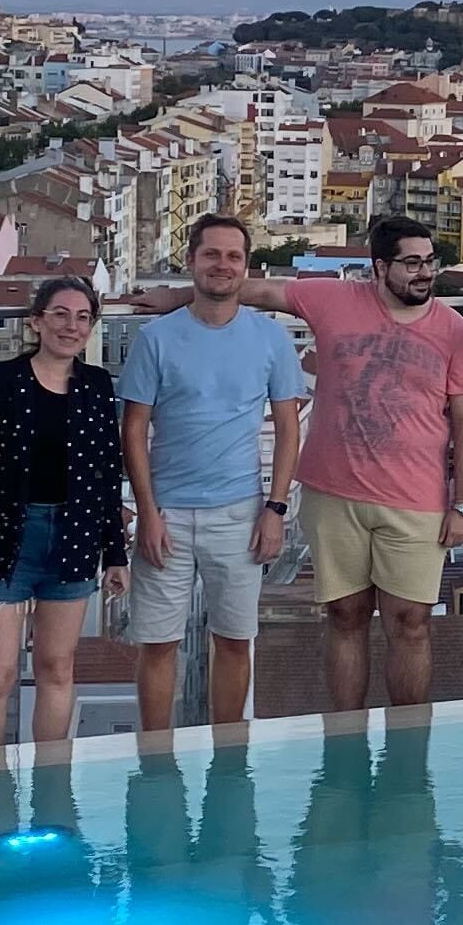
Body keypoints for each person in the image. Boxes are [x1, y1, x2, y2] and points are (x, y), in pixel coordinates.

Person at [215, 217, 463, 715]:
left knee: (410, 623)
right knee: (344, 615)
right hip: (332, 493)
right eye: (411, 263)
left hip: (417, 501)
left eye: (430, 262)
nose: (424, 273)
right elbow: (256, 291)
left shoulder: (453, 329)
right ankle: (346, 740)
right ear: (379, 267)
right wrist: (176, 300)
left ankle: (408, 745)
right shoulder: (333, 299)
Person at [120, 215, 306, 731]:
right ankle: (155, 757)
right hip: (167, 515)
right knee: (158, 645)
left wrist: (275, 508)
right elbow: (133, 430)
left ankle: (229, 756)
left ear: (247, 267)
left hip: (241, 512)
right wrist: (149, 512)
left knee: (233, 640)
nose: (222, 265)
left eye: (233, 256)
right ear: (192, 262)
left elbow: (289, 430)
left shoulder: (270, 339)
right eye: (212, 255)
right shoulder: (156, 338)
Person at [0, 274, 128, 744]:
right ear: (36, 321)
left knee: (57, 668)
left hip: (73, 538)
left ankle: (52, 786)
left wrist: (116, 555)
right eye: (60, 314)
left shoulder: (98, 387)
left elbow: (106, 474)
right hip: (1, 542)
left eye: (83, 318)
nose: (71, 326)